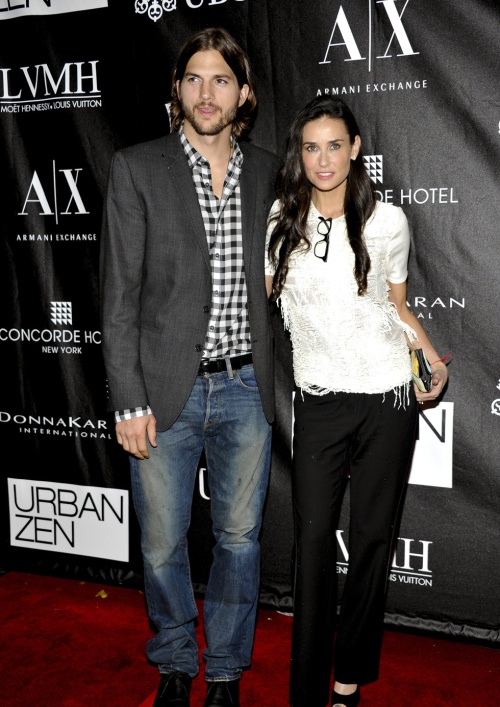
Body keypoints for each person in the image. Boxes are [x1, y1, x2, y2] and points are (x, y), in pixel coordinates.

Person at [100, 27, 280, 707]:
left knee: (239, 539)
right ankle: (175, 660)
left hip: (247, 387)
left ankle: (226, 671)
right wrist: (127, 400)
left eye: (222, 80)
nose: (208, 94)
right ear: (176, 90)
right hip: (162, 392)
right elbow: (119, 297)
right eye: (195, 79)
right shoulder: (137, 167)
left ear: (244, 94)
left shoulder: (269, 171)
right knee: (160, 543)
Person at [265, 95, 448, 707]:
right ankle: (306, 690)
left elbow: (396, 308)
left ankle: (347, 685)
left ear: (356, 148)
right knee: (313, 542)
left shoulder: (387, 221)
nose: (323, 159)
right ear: (299, 153)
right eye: (311, 147)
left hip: (387, 399)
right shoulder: (280, 220)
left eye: (335, 146)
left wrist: (428, 360)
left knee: (372, 541)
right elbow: (267, 301)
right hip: (319, 400)